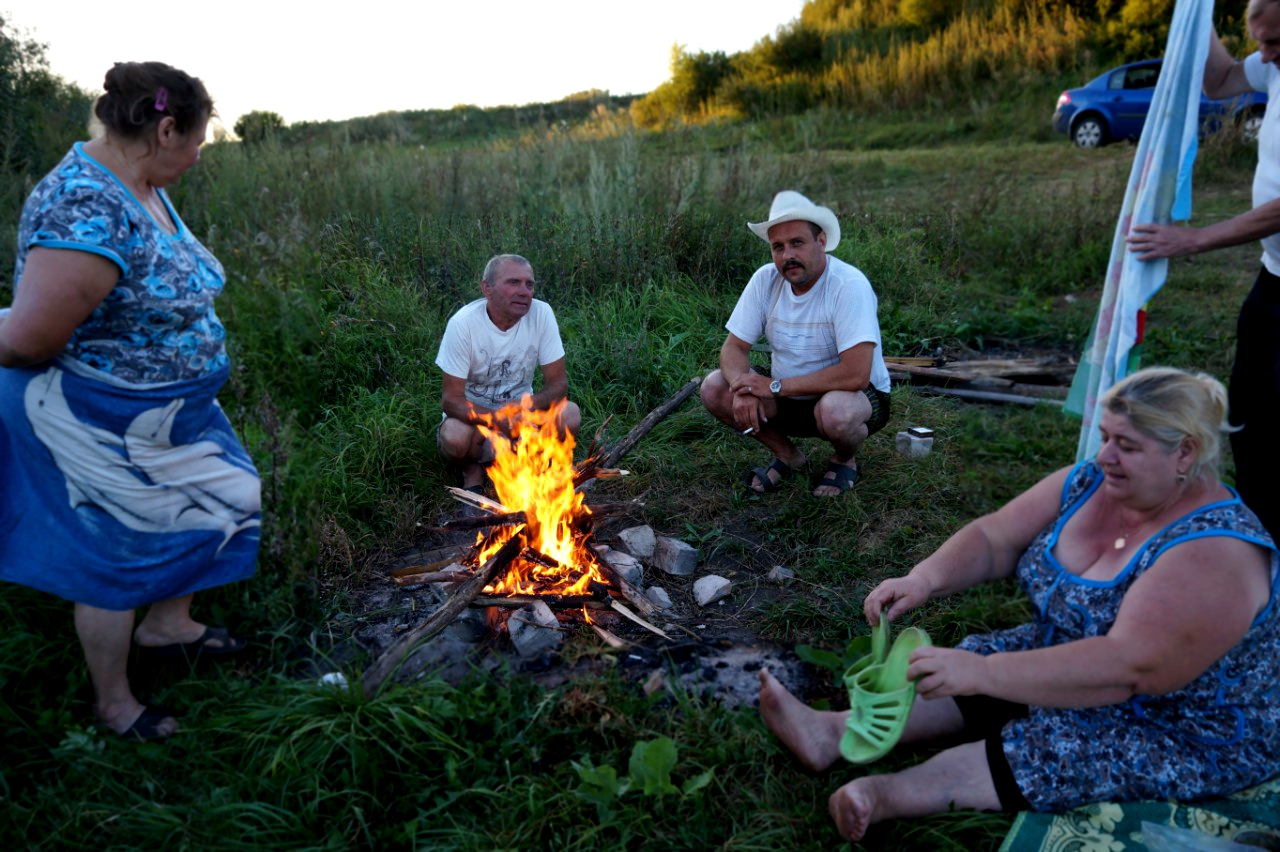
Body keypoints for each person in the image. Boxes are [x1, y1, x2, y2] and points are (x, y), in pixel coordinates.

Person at [758, 367, 1280, 842]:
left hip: (1185, 721)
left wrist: (985, 673)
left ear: (1185, 453)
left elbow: (1129, 668)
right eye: (1104, 438)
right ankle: (831, 734)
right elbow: (996, 538)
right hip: (1080, 650)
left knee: (1065, 740)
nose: (1104, 456)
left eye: (1126, 445)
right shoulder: (1093, 482)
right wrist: (924, 579)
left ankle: (886, 795)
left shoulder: (1216, 553)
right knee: (975, 662)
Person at [0, 63, 260, 741]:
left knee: (224, 497)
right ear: (164, 128)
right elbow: (25, 341)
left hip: (173, 413)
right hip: (102, 419)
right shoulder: (84, 208)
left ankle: (169, 626)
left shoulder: (138, 179)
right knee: (115, 557)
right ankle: (114, 707)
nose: (200, 156)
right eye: (197, 141)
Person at [1126, 0, 1280, 541]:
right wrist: (1197, 10)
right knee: (1252, 413)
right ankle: (1264, 536)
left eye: (1275, 42)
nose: (1264, 55)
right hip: (1274, 277)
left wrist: (1192, 240)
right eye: (1259, 40)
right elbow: (1219, 79)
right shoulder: (1275, 62)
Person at [700, 190, 891, 497]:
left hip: (851, 397)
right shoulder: (765, 280)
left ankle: (844, 459)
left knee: (836, 412)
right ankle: (789, 456)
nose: (787, 255)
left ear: (822, 242)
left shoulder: (848, 285)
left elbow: (857, 375)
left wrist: (773, 387)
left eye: (797, 243)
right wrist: (742, 387)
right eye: (778, 247)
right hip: (786, 394)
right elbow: (734, 347)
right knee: (714, 387)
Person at [435, 254, 581, 490]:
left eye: (529, 284)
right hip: (476, 421)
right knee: (453, 435)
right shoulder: (463, 324)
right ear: (487, 288)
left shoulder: (541, 314)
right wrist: (494, 419)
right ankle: (472, 471)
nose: (525, 291)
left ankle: (534, 465)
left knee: (570, 414)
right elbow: (451, 402)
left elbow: (558, 385)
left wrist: (525, 409)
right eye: (513, 282)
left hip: (523, 416)